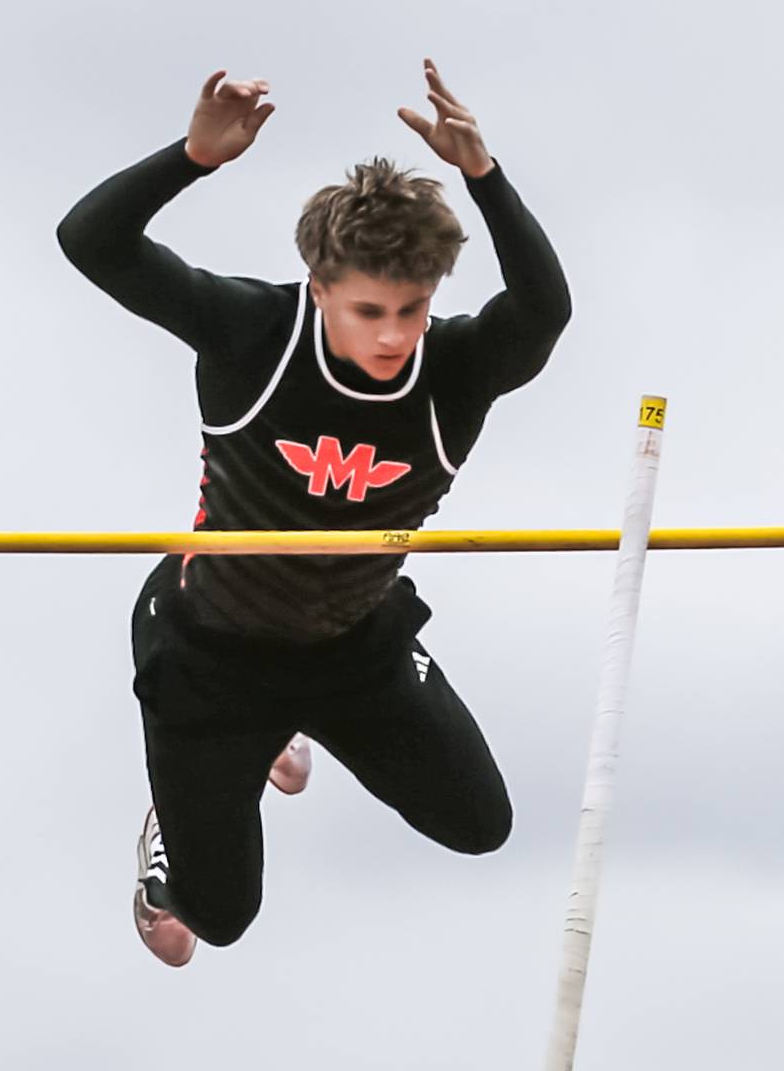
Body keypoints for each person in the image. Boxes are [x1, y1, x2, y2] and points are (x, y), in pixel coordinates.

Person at [57, 59, 570, 966]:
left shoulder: (455, 370)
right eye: (368, 309)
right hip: (210, 650)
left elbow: (543, 310)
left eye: (412, 310)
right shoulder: (251, 331)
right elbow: (91, 241)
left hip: (352, 645)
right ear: (319, 285)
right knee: (216, 920)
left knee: (480, 825)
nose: (391, 337)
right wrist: (192, 158)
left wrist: (483, 176)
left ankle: (295, 728)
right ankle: (178, 826)